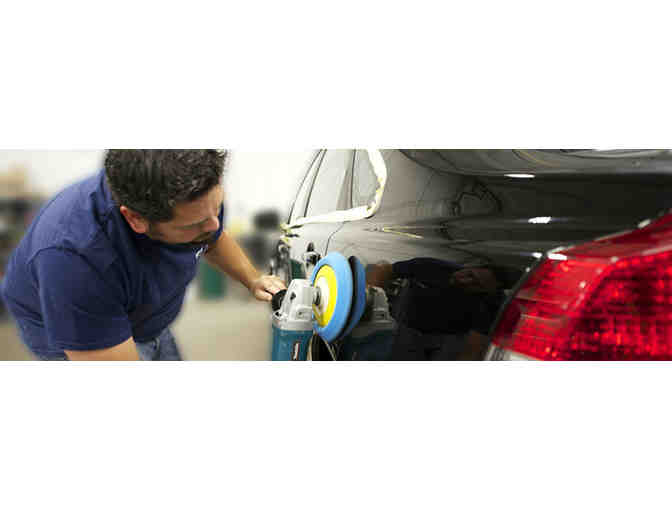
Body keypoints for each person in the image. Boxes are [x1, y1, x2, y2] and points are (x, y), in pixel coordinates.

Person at [0, 150, 286, 361]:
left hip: (141, 315)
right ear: (135, 219)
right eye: (196, 224)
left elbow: (212, 237)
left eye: (218, 207)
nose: (214, 225)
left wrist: (253, 279)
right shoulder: (74, 261)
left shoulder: (197, 199)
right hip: (73, 325)